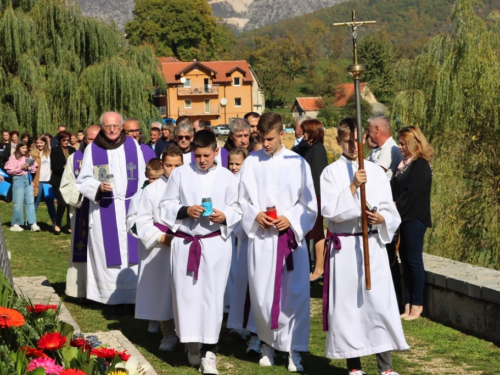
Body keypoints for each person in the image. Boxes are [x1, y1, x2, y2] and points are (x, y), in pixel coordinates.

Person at [320, 118, 408, 375]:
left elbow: (390, 209)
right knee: (350, 308)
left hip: (372, 244)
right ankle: (354, 365)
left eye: (357, 140)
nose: (353, 146)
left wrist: (382, 219)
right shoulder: (331, 173)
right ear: (338, 141)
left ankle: (386, 366)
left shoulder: (377, 172)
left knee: (378, 303)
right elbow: (329, 210)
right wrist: (353, 185)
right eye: (347, 141)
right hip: (345, 248)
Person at [238, 112, 317, 372]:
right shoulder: (251, 162)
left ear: (282, 134)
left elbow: (309, 205)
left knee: (293, 295)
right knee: (262, 294)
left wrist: (291, 219)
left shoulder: (297, 163)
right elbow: (241, 201)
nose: (266, 143)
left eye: (270, 138)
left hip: (289, 241)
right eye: (261, 138)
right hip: (261, 239)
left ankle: (294, 350)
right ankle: (266, 345)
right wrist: (255, 214)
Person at [160, 129, 241, 374]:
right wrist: (186, 210)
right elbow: (166, 204)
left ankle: (209, 351)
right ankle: (191, 344)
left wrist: (224, 215)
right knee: (187, 296)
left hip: (214, 244)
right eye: (197, 156)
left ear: (217, 151)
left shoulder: (228, 177)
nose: (202, 160)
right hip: (186, 243)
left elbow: (238, 206)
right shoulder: (181, 174)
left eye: (206, 155)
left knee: (212, 297)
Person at [75, 111, 146, 308]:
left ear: (122, 126)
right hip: (105, 208)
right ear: (102, 128)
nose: (112, 130)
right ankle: (110, 299)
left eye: (116, 126)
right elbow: (83, 181)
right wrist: (98, 187)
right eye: (108, 127)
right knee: (107, 253)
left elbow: (142, 176)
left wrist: (142, 201)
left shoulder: (132, 145)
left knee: (131, 255)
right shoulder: (93, 149)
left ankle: (133, 298)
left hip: (130, 205)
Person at [134, 146, 183, 351]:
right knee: (163, 290)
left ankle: (187, 335)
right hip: (160, 247)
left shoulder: (189, 186)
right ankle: (167, 333)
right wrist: (161, 237)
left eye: (177, 166)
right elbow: (142, 220)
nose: (173, 170)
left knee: (184, 290)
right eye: (169, 165)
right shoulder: (151, 190)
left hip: (185, 244)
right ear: (162, 165)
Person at [391, 126, 433, 321]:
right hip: (403, 218)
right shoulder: (404, 165)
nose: (399, 147)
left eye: (402, 143)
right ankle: (407, 302)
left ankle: (417, 303)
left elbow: (412, 194)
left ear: (413, 143)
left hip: (414, 219)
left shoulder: (420, 165)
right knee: (405, 262)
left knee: (414, 262)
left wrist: (395, 206)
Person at [366, 115, 404, 311]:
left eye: (369, 129)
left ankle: (396, 301)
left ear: (377, 130)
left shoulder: (389, 150)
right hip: (375, 210)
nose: (368, 133)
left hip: (384, 211)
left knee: (389, 257)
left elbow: (372, 174)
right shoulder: (378, 150)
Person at [226, 146, 261, 355]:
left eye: (237, 164)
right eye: (230, 163)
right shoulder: (227, 179)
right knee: (239, 285)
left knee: (251, 285)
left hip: (247, 235)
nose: (233, 167)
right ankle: (240, 325)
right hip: (232, 237)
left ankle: (253, 331)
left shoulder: (248, 181)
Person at [60, 125, 100, 298]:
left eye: (97, 139)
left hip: (104, 211)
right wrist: (87, 193)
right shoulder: (75, 159)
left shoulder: (110, 157)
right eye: (90, 139)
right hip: (82, 209)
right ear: (85, 139)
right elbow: (66, 186)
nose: (94, 143)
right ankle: (81, 290)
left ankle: (102, 291)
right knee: (82, 248)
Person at [299, 119, 329, 282]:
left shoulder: (317, 150)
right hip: (313, 195)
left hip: (316, 195)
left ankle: (319, 268)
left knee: (317, 232)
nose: (303, 135)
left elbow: (317, 176)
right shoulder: (313, 148)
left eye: (305, 131)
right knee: (314, 231)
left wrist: (314, 197)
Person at [5, 141, 40, 232]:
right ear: (18, 148)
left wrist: (30, 168)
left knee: (30, 201)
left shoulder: (28, 157)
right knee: (18, 201)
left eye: (26, 148)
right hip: (18, 179)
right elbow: (10, 171)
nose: (24, 150)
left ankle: (32, 223)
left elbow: (34, 168)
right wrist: (20, 168)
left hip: (28, 179)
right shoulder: (13, 157)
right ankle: (16, 223)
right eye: (22, 148)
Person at [50, 130, 76, 235]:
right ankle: (58, 224)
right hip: (58, 180)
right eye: (64, 140)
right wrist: (62, 167)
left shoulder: (72, 149)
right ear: (60, 140)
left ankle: (69, 226)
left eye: (68, 140)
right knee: (62, 203)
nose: (66, 142)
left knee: (70, 203)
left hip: (70, 181)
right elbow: (53, 166)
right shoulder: (55, 150)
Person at [31, 135, 57, 228]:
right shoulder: (32, 154)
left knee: (50, 203)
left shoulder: (50, 152)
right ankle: (32, 222)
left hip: (48, 181)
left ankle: (55, 222)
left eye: (41, 143)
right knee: (35, 202)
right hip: (37, 181)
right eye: (37, 143)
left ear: (45, 143)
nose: (39, 144)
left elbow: (53, 166)